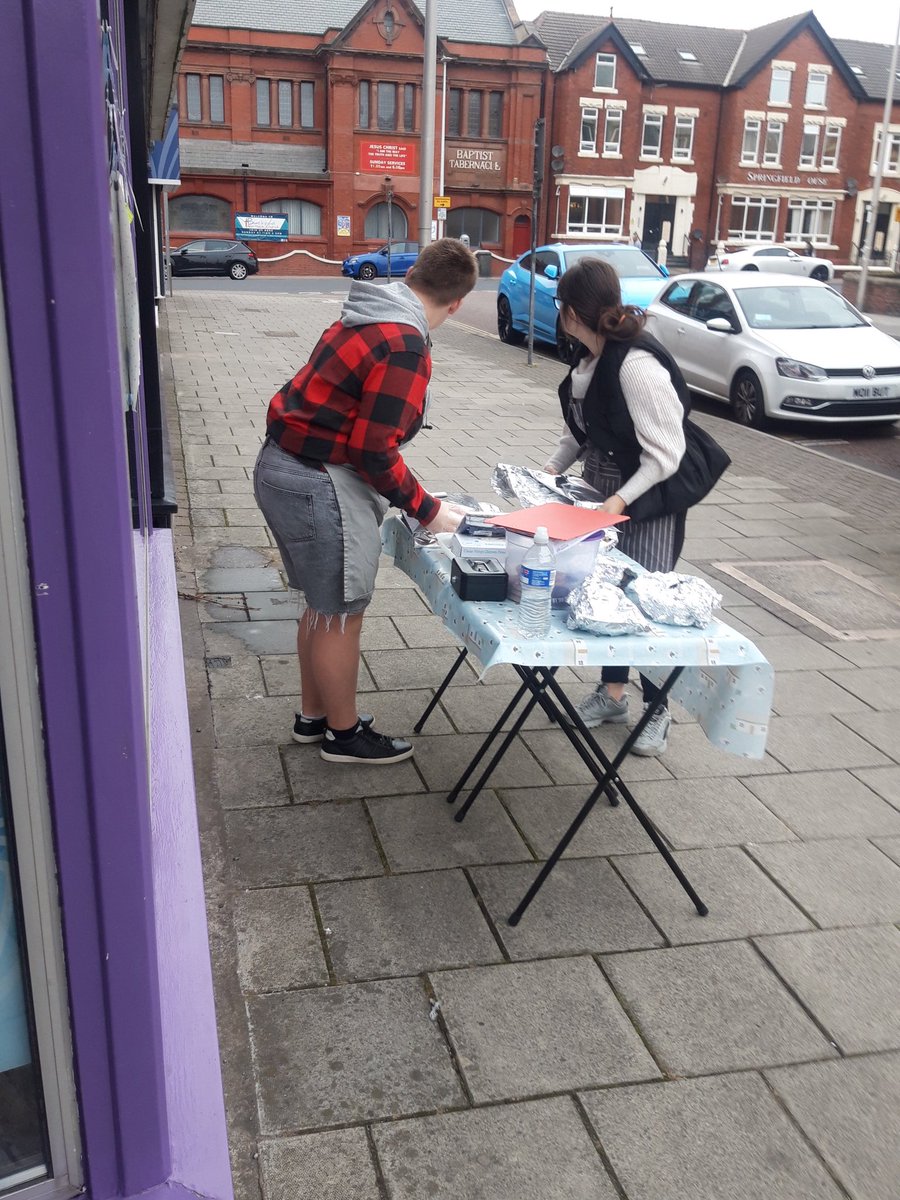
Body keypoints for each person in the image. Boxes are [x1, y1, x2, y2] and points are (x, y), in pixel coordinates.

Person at [254, 238, 477, 765]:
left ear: (414, 274)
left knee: (322, 603)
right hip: (317, 480)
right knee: (342, 612)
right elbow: (373, 449)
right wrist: (429, 509)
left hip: (281, 466)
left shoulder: (365, 313)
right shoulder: (404, 343)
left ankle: (315, 717)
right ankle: (344, 735)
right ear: (457, 303)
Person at [543, 256, 690, 756]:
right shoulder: (589, 358)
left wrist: (620, 500)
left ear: (570, 313)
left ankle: (658, 709)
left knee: (645, 601)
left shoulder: (638, 366)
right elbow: (579, 433)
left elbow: (668, 455)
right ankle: (613, 695)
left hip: (648, 498)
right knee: (606, 595)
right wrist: (546, 475)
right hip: (605, 490)